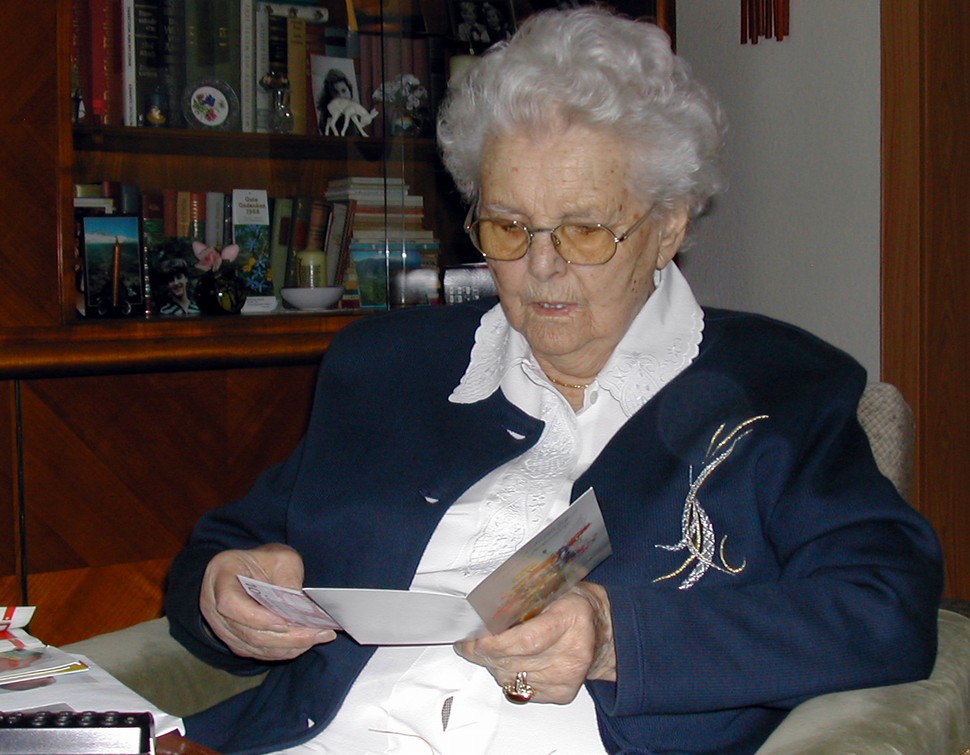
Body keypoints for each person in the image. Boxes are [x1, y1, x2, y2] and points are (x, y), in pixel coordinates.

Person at [165, 8, 943, 754]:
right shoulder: (387, 368)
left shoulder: (779, 388)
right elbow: (230, 546)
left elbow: (887, 608)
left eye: (585, 229)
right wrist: (225, 593)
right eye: (509, 225)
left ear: (668, 225)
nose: (541, 265)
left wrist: (616, 639)